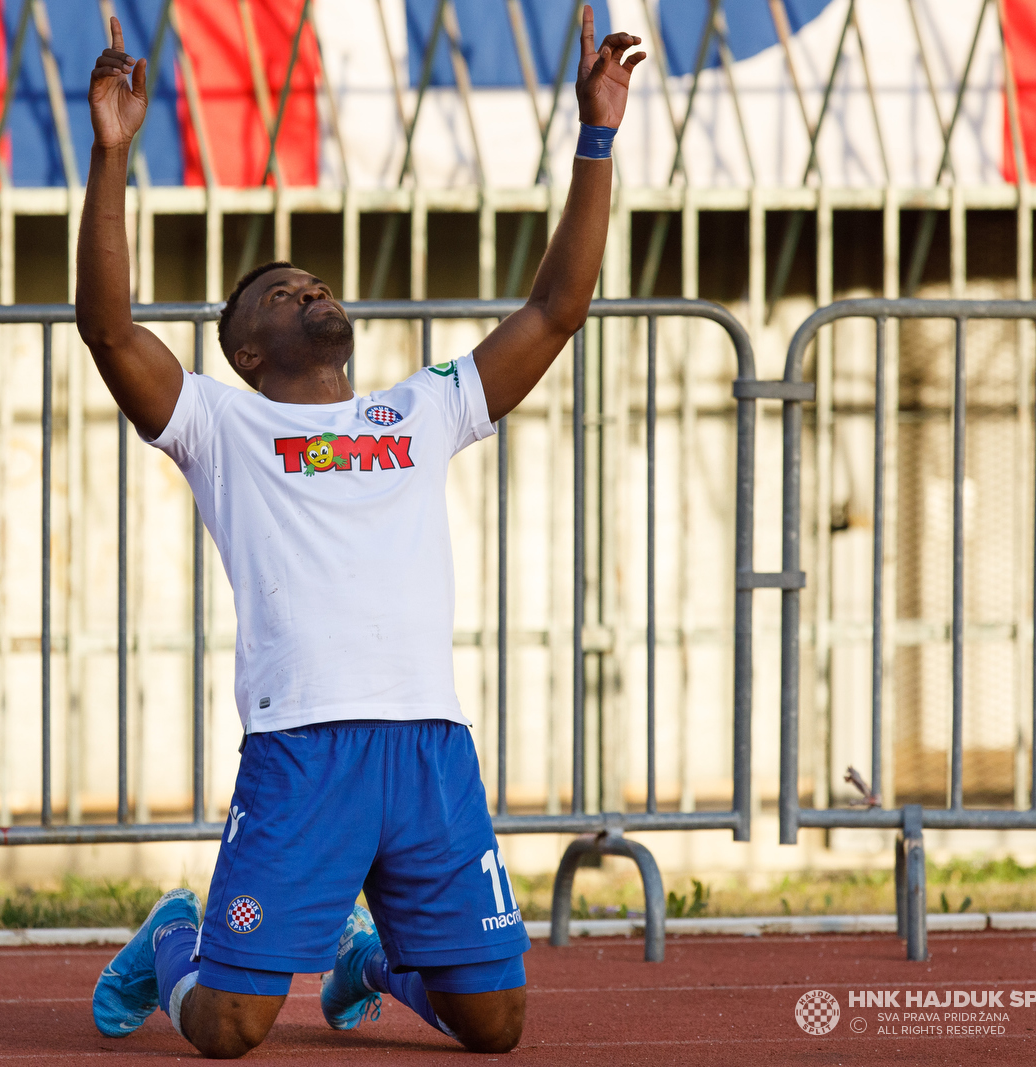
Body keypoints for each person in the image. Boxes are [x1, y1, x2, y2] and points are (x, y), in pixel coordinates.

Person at [77, 8, 642, 1058]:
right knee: (230, 1028)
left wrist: (596, 135)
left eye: (316, 283)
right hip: (304, 749)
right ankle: (175, 941)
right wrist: (113, 156)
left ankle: (368, 958)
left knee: (497, 1025)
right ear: (246, 349)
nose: (309, 288)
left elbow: (557, 310)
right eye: (281, 294)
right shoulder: (219, 421)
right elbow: (108, 328)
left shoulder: (420, 406)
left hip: (430, 745)